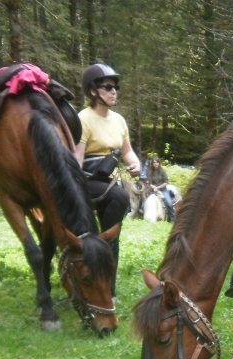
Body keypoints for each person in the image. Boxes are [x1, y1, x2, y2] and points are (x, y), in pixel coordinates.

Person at [75, 63, 141, 299]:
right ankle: (104, 241)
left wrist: (136, 164)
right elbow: (77, 159)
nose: (115, 92)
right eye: (109, 87)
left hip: (109, 181)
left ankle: (109, 291)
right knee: (122, 198)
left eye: (117, 87)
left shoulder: (119, 121)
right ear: (93, 91)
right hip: (88, 180)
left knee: (115, 236)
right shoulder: (83, 118)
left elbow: (127, 151)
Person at [147, 157, 175, 222]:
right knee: (145, 203)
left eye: (157, 162)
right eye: (154, 162)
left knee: (169, 203)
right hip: (154, 190)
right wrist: (154, 188)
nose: (155, 164)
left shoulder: (162, 171)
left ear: (159, 163)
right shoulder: (150, 172)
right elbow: (150, 183)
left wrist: (158, 187)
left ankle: (172, 217)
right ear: (152, 164)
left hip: (163, 189)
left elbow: (166, 182)